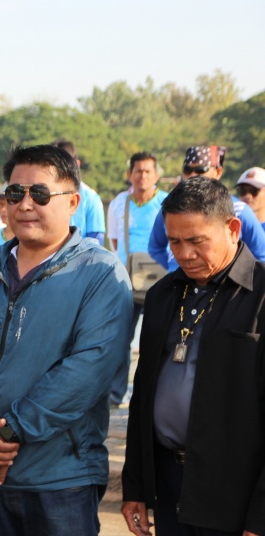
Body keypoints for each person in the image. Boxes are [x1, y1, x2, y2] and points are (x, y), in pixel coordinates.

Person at [0, 145, 133, 535]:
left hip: (60, 477)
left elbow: (87, 370)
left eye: (40, 194)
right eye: (15, 193)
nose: (25, 204)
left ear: (73, 202)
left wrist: (6, 433)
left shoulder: (100, 274)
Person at [122, 177, 265, 536]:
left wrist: (261, 517)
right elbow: (142, 396)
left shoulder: (261, 297)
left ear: (233, 229)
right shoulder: (162, 294)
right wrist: (135, 486)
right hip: (169, 481)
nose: (184, 254)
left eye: (197, 241)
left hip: (236, 490)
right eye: (174, 242)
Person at [106, 151, 168, 407]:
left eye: (147, 171)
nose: (142, 176)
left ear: (156, 175)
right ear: (129, 174)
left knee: (158, 338)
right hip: (126, 280)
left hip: (160, 279)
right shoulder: (119, 203)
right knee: (121, 338)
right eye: (138, 171)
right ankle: (115, 394)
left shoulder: (166, 202)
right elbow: (114, 241)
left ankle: (154, 393)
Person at [148, 146, 265, 270]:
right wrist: (176, 269)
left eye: (201, 169)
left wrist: (236, 276)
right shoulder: (170, 209)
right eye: (187, 170)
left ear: (218, 172)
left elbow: (261, 255)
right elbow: (155, 248)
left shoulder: (239, 210)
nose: (193, 175)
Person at [52, 140, 106, 246]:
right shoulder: (39, 196)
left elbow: (96, 242)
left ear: (77, 164)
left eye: (62, 164)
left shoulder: (91, 199)